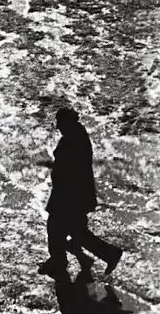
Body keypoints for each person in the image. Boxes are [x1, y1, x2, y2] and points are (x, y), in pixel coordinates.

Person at [38, 107, 123, 279]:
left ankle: (62, 260)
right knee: (71, 229)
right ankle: (63, 259)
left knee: (61, 227)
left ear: (67, 122)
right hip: (71, 193)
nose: (58, 127)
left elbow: (70, 168)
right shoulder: (76, 136)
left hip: (69, 195)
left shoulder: (73, 140)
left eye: (60, 123)